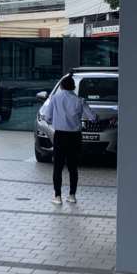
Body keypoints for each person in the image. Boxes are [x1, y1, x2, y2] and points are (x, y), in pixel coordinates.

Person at [39, 74, 97, 206]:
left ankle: (57, 196)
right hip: (75, 137)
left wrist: (56, 119)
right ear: (73, 87)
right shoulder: (80, 100)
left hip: (60, 136)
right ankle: (72, 195)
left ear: (61, 86)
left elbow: (47, 117)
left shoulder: (55, 98)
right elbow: (93, 117)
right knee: (73, 167)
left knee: (58, 167)